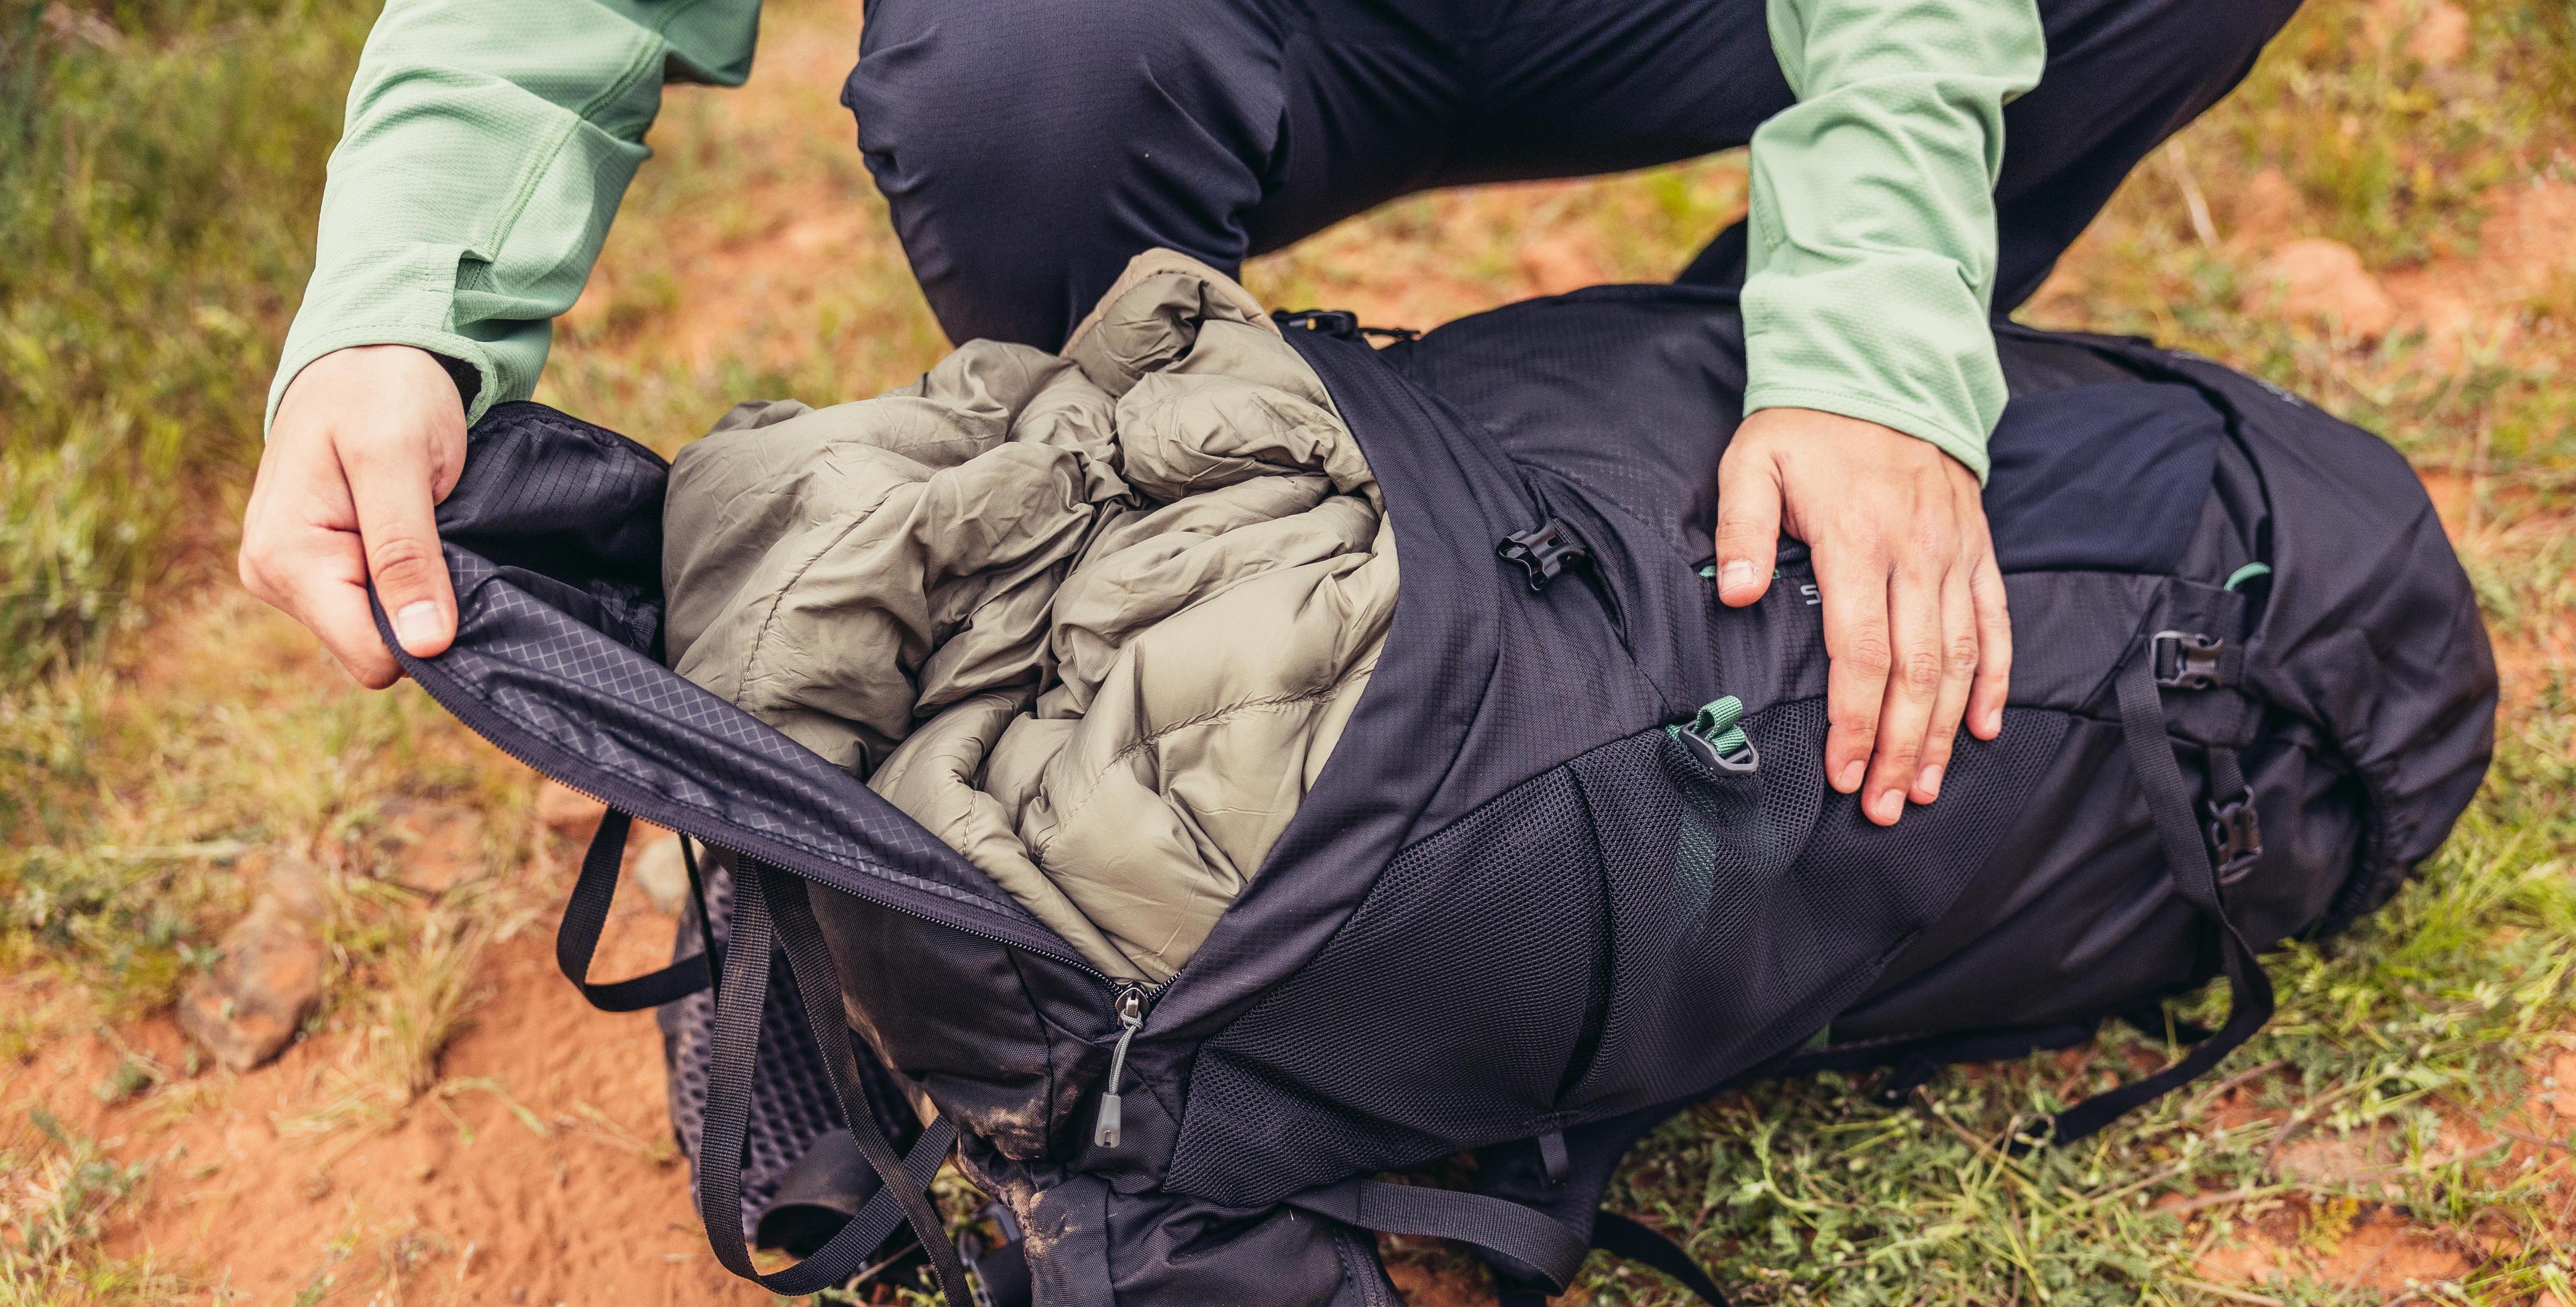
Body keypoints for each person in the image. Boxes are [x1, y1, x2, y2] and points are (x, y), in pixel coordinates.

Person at [238, 0, 2299, 828]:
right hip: (1220, 28)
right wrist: (395, 315)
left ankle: (1693, 511)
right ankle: (1158, 668)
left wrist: (1862, 350)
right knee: (1025, 73)